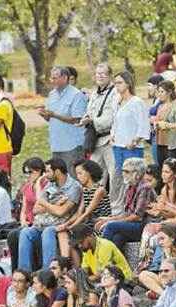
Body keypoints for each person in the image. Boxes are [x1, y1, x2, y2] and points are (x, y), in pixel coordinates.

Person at [18, 158, 82, 272]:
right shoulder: (50, 184)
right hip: (42, 222)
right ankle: (24, 272)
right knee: (25, 232)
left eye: (48, 171)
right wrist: (55, 204)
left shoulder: (74, 187)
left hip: (60, 224)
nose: (45, 175)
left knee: (48, 231)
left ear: (57, 171)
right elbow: (36, 209)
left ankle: (48, 272)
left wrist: (45, 204)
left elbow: (61, 212)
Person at [55, 159, 112, 261]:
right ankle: (72, 267)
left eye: (80, 173)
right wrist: (66, 224)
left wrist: (71, 227)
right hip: (88, 224)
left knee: (76, 235)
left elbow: (87, 212)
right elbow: (79, 213)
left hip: (99, 224)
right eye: (77, 174)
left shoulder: (100, 190)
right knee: (68, 236)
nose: (78, 177)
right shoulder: (84, 190)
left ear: (89, 173)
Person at [80, 63, 119, 206]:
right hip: (96, 140)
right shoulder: (95, 93)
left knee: (114, 176)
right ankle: (95, 207)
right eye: (98, 74)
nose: (100, 76)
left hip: (109, 139)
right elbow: (90, 111)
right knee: (94, 175)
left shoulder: (115, 93)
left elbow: (111, 117)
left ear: (110, 76)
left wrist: (93, 120)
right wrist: (85, 118)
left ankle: (115, 206)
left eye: (104, 73)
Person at [97, 158, 156, 251]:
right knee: (118, 237)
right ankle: (112, 263)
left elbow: (137, 217)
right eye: (123, 170)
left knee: (110, 226)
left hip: (145, 225)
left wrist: (112, 222)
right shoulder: (129, 187)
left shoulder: (145, 188)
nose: (123, 174)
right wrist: (109, 218)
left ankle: (100, 257)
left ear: (137, 173)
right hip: (133, 224)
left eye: (127, 171)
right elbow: (127, 213)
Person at [38, 66, 88, 174]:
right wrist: (44, 114)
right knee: (59, 176)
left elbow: (77, 120)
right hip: (56, 144)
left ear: (65, 78)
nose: (52, 81)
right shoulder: (52, 94)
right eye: (51, 78)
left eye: (55, 78)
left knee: (73, 177)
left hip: (72, 146)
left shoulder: (76, 95)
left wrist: (54, 115)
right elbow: (50, 118)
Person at [110, 71, 150, 195]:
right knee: (121, 177)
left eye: (120, 82)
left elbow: (144, 124)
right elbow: (115, 121)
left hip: (131, 147)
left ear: (128, 83)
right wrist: (112, 135)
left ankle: (138, 203)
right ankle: (123, 205)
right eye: (115, 83)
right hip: (118, 145)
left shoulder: (136, 102)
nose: (117, 85)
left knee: (134, 177)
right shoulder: (116, 101)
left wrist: (136, 140)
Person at [7, 158, 48, 271]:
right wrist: (23, 221)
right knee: (13, 235)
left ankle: (28, 270)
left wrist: (39, 183)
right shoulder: (26, 187)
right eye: (26, 172)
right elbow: (24, 209)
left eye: (31, 172)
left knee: (25, 235)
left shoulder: (46, 185)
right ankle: (16, 270)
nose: (28, 175)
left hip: (41, 222)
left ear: (40, 171)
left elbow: (42, 205)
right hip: (29, 222)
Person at [151, 80, 176, 167]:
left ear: (169, 92)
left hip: (168, 142)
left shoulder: (173, 106)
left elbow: (167, 122)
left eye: (162, 91)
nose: (159, 94)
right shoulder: (160, 106)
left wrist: (155, 121)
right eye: (158, 92)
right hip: (159, 141)